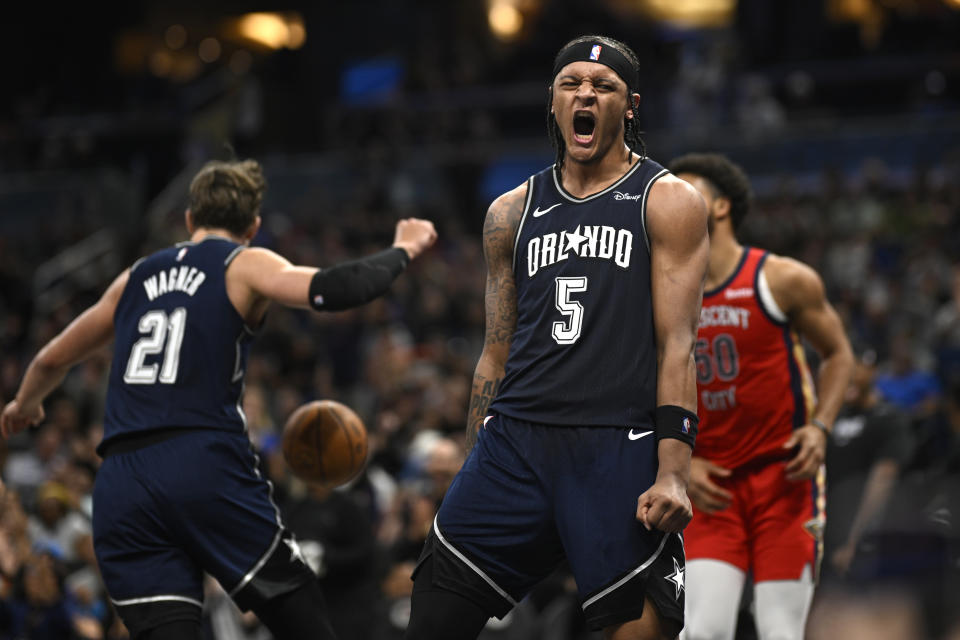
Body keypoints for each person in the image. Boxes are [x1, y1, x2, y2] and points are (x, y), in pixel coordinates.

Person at [1, 158, 437, 640]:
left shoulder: (134, 277)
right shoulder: (242, 262)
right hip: (202, 463)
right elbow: (334, 289)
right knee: (302, 614)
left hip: (122, 482)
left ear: (189, 220)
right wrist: (403, 248)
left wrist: (25, 404)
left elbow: (48, 360)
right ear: (252, 226)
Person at [405, 35, 709, 640]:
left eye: (603, 87)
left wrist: (674, 470)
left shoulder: (668, 200)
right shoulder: (510, 212)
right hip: (516, 440)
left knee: (641, 629)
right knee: (433, 614)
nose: (585, 95)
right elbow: (495, 350)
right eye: (571, 84)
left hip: (616, 439)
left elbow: (678, 343)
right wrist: (473, 459)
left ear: (631, 105)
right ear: (553, 101)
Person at [667, 152, 854, 640]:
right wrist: (679, 465)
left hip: (784, 481)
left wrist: (820, 427)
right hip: (710, 488)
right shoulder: (663, 296)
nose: (673, 202)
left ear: (722, 206)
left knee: (782, 633)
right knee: (702, 632)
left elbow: (838, 354)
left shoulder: (781, 279)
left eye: (687, 191)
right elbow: (642, 388)